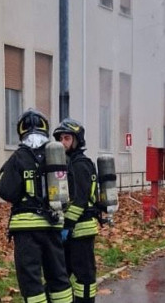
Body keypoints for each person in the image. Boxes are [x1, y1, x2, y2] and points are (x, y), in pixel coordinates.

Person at [0, 109, 73, 303]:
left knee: (31, 281)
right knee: (58, 276)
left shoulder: (18, 157)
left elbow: (7, 192)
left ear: (21, 131)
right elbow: (69, 188)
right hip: (53, 224)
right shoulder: (57, 155)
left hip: (26, 229)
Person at [53, 119, 100, 303]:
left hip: (81, 230)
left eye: (66, 138)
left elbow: (80, 200)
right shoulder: (67, 163)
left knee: (85, 277)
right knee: (62, 273)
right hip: (69, 231)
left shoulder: (80, 164)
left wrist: (68, 225)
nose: (62, 142)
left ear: (77, 140)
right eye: (60, 138)